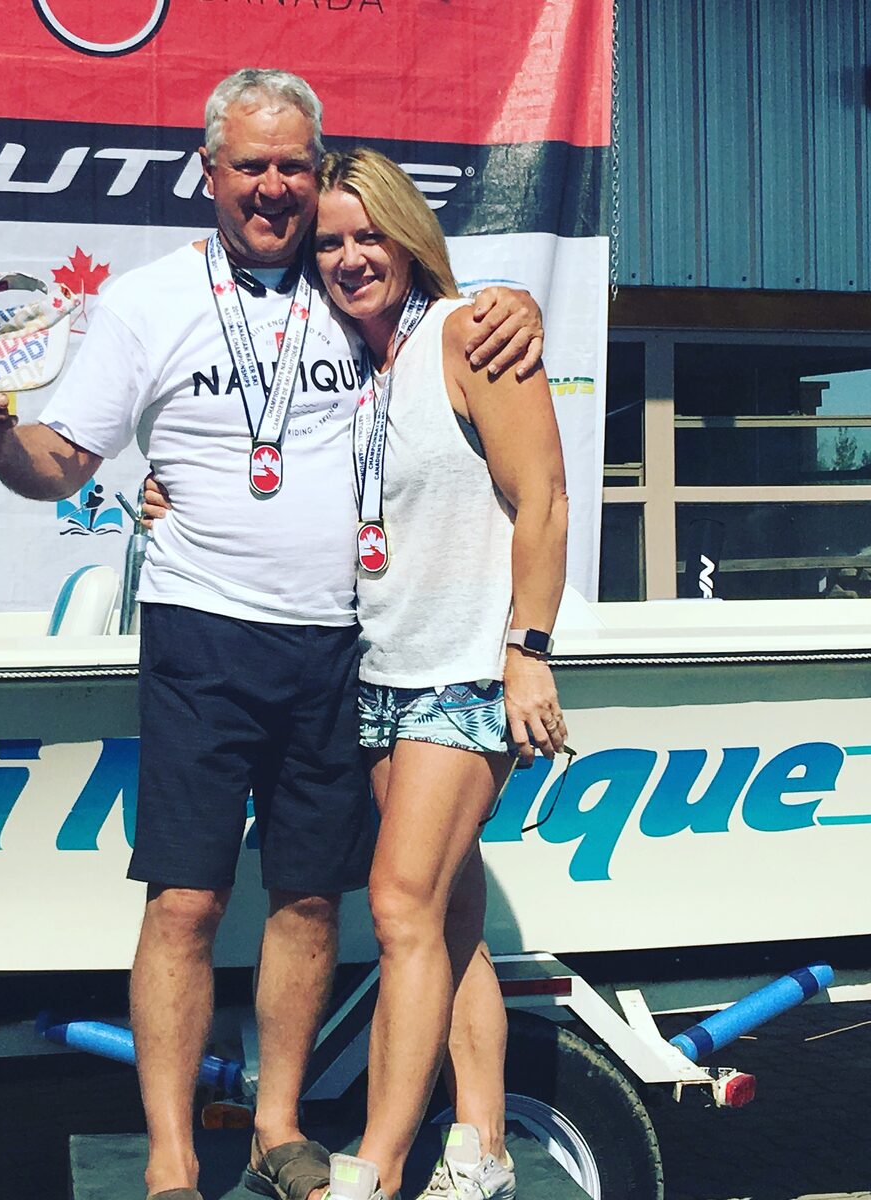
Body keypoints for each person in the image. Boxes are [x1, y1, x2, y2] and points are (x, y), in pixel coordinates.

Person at [0, 70, 544, 1200]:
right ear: (208, 173)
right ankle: (173, 1159)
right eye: (250, 166)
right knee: (185, 900)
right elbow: (62, 464)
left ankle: (277, 1129)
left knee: (312, 900)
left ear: (319, 174)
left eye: (293, 167)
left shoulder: (353, 285)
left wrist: (520, 305)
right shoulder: (145, 302)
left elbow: (453, 331)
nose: (273, 189)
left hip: (341, 645)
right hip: (202, 636)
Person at [315, 149, 568, 1200]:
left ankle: (374, 1165)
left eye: (368, 233)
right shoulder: (346, 363)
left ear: (409, 235)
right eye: (330, 242)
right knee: (448, 922)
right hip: (380, 676)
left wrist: (528, 654)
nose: (349, 257)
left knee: (399, 908)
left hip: (464, 672)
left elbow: (545, 497)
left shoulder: (471, 332)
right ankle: (484, 1149)